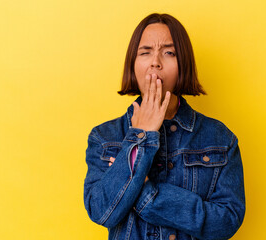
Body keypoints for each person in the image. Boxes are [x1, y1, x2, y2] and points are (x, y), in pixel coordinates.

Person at [84, 13, 245, 240]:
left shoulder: (220, 138)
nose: (155, 61)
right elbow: (101, 211)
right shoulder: (104, 137)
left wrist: (145, 193)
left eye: (169, 52)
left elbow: (227, 221)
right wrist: (141, 136)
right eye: (145, 52)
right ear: (133, 63)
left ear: (183, 64)